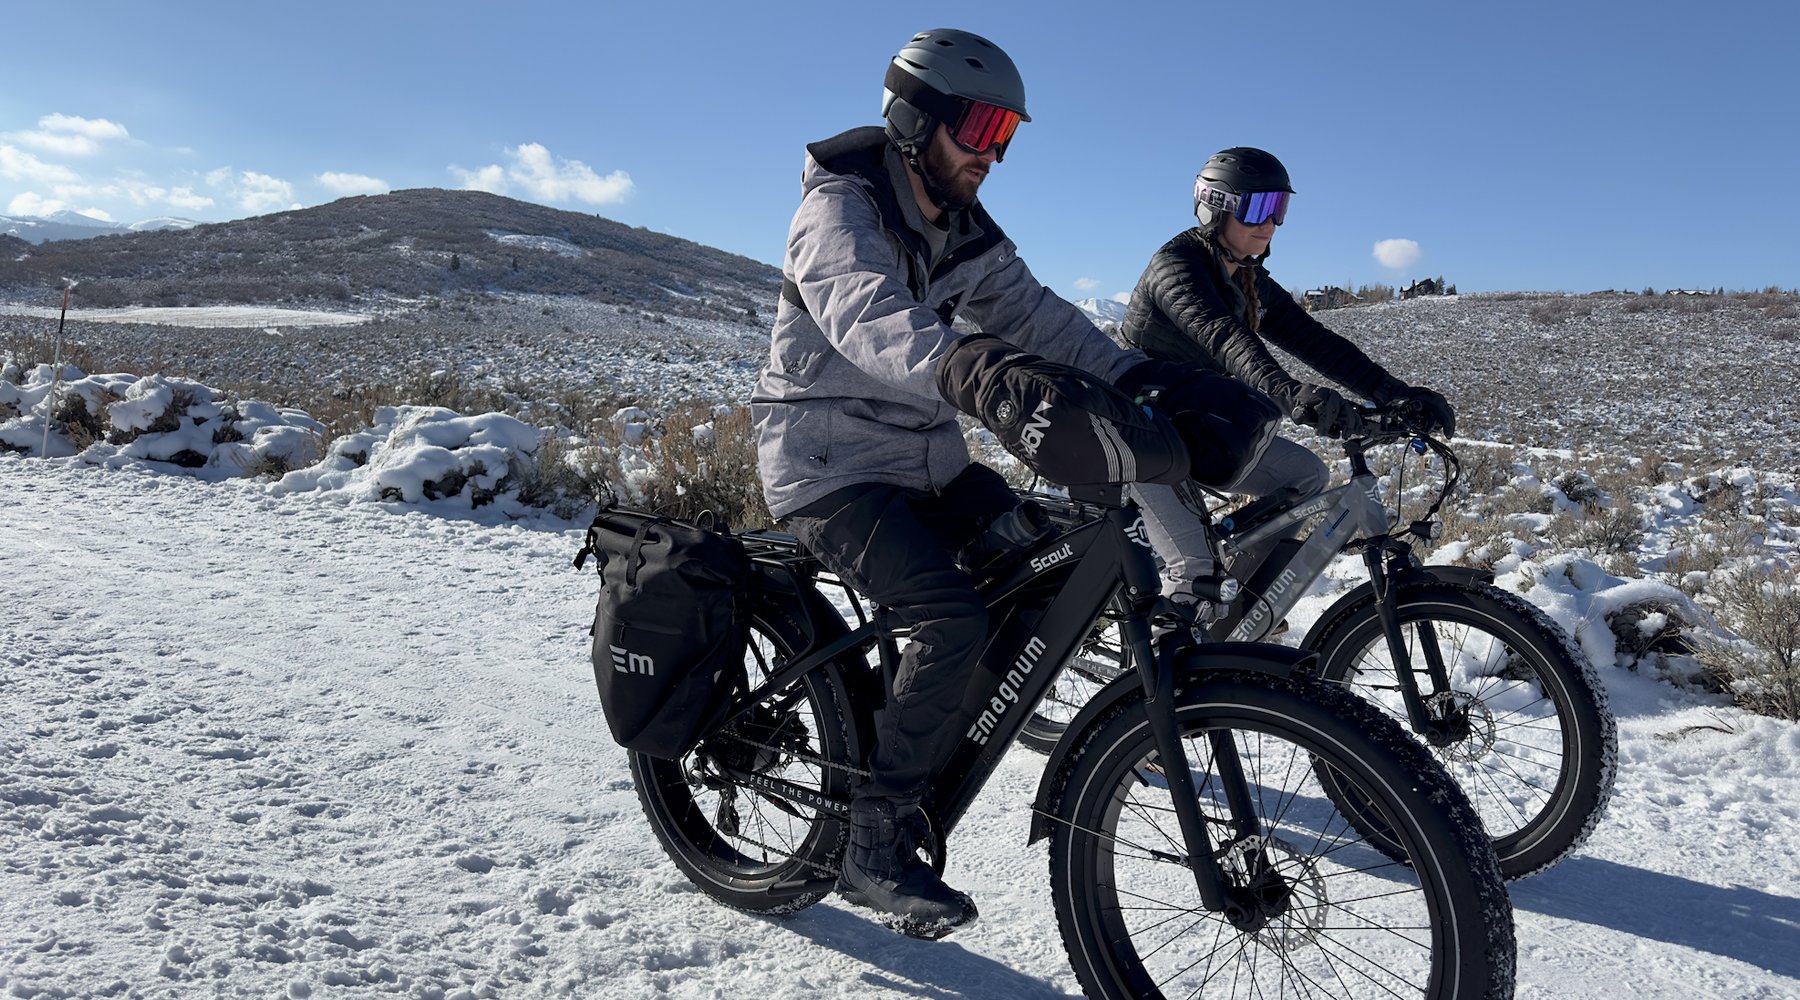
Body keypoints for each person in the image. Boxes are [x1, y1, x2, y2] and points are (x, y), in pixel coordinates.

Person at [751, 30, 1275, 937]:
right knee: (951, 614)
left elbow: (1042, 319)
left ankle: (913, 754)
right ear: (918, 119)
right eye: (981, 129)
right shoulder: (840, 209)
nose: (993, 154)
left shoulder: (964, 230)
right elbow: (865, 314)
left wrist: (1139, 380)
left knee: (1044, 577)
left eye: (1007, 135)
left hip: (927, 460)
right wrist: (975, 372)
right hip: (828, 466)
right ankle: (873, 840)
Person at [1117, 146, 1457, 607]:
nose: (1269, 222)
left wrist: (1395, 394)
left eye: (1279, 208)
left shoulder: (1247, 276)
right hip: (1137, 429)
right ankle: (1166, 667)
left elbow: (1315, 341)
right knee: (1194, 569)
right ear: (1215, 206)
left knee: (1305, 477)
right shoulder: (1176, 268)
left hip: (1193, 425)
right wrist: (1291, 394)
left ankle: (1238, 606)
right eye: (1257, 207)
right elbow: (1226, 339)